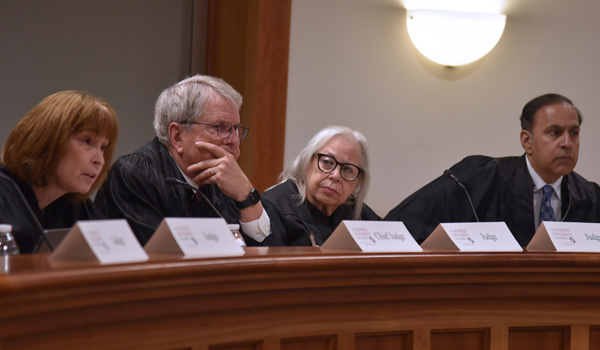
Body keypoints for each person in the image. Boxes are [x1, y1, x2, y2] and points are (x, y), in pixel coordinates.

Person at [385, 93, 600, 246]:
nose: (567, 143)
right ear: (527, 141)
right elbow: (398, 229)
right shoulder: (476, 180)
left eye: (574, 133)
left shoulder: (591, 198)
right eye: (554, 132)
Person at [95, 75, 283, 246]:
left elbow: (270, 256)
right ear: (177, 136)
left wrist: (247, 197)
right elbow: (160, 259)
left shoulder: (224, 179)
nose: (234, 140)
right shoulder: (135, 174)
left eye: (236, 129)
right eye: (221, 127)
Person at [0, 90, 119, 253]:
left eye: (103, 147)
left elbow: (117, 254)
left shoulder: (74, 204)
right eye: (87, 141)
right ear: (48, 140)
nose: (100, 160)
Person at [262, 126, 380, 246]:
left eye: (348, 169)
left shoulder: (357, 213)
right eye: (327, 162)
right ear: (306, 163)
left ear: (358, 182)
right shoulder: (273, 208)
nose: (335, 176)